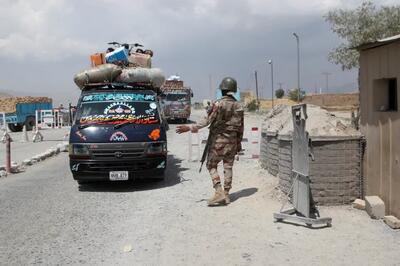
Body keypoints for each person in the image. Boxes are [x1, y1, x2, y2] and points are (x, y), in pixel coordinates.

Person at [176, 77, 244, 206]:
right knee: (228, 167)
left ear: (222, 90)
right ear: (234, 90)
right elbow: (241, 127)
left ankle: (219, 191)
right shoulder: (239, 106)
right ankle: (227, 195)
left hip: (218, 141)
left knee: (211, 165)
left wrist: (190, 127)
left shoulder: (218, 104)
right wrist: (238, 143)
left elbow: (206, 120)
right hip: (233, 142)